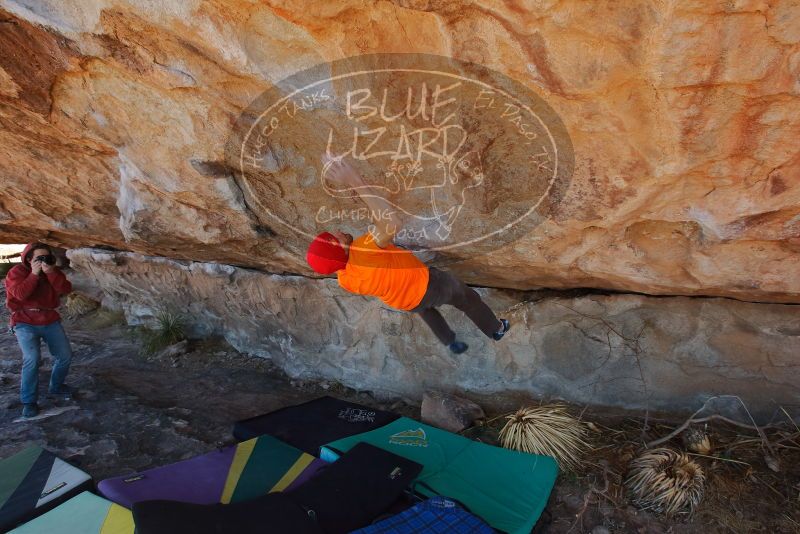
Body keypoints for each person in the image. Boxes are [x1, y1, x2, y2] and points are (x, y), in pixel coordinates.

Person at [306, 156, 509, 354]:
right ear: (341, 251)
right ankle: (496, 329)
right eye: (336, 238)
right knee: (467, 298)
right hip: (428, 285)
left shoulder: (344, 279)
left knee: (427, 311)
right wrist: (354, 180)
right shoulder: (364, 249)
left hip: (404, 301)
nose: (338, 232)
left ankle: (449, 341)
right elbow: (391, 224)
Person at [4, 243, 74, 418]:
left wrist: (50, 272)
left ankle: (56, 386)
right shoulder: (17, 272)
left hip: (49, 319)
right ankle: (29, 402)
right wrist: (34, 274)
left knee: (65, 356)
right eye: (38, 258)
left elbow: (65, 289)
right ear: (29, 259)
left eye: (46, 257)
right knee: (32, 359)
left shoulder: (52, 272)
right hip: (24, 320)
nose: (43, 261)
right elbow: (19, 294)